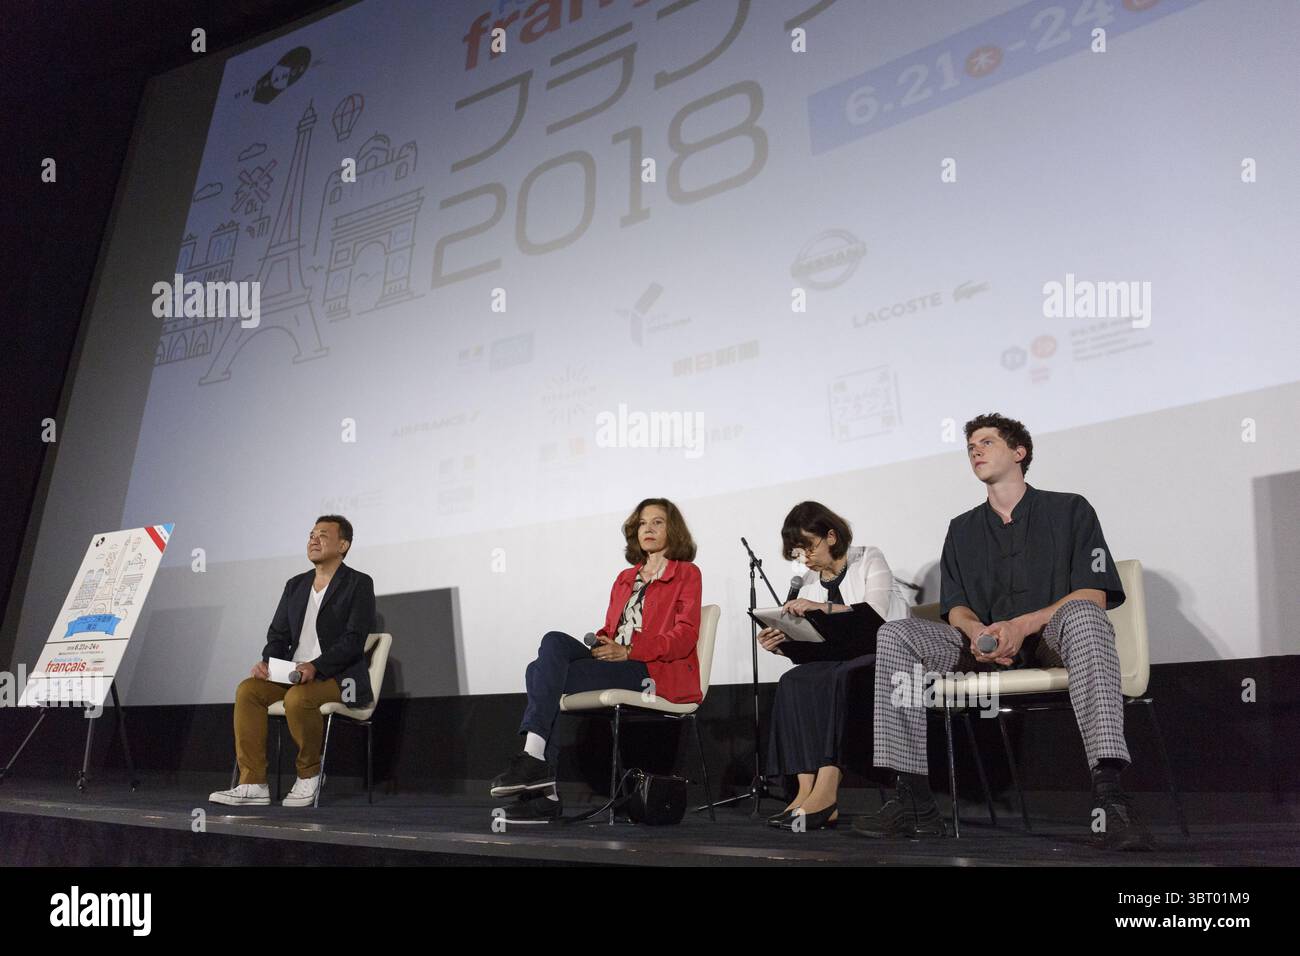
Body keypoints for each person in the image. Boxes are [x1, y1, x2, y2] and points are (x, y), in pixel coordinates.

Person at [851, 413, 1154, 850]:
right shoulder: (962, 528)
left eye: (987, 442)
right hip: (981, 646)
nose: (975, 450)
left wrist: (1021, 625)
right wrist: (977, 632)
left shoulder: (1070, 509)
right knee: (896, 634)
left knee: (1086, 616)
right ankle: (915, 802)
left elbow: (1094, 592)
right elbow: (955, 606)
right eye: (971, 445)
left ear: (1019, 452)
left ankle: (1110, 798)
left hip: (1053, 639)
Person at [489, 497, 702, 822]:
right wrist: (606, 641)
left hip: (650, 670)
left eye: (658, 522)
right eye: (643, 523)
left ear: (672, 530)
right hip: (618, 659)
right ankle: (538, 769)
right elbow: (612, 628)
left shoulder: (686, 573)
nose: (649, 528)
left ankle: (541, 777)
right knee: (552, 643)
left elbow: (684, 637)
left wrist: (631, 651)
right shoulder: (624, 578)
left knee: (540, 673)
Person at [759, 502, 914, 831]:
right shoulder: (811, 581)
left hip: (890, 656)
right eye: (797, 552)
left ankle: (827, 791)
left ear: (831, 536)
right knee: (793, 680)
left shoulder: (868, 557)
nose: (804, 558)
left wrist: (822, 607)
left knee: (843, 676)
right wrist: (784, 644)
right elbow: (820, 644)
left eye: (808, 547)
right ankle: (804, 792)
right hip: (841, 658)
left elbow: (876, 614)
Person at [209, 515, 376, 808]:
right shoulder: (295, 585)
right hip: (291, 673)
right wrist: (268, 663)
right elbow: (278, 634)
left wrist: (317, 666)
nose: (313, 539)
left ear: (343, 545)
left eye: (323, 535)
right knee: (248, 690)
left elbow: (353, 640)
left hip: (339, 677)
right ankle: (252, 784)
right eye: (311, 534)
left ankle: (309, 774)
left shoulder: (358, 583)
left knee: (299, 699)